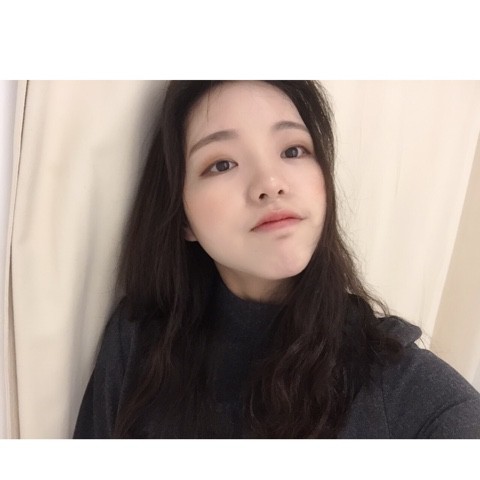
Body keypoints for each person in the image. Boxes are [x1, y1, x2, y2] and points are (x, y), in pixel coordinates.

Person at [73, 81, 480, 439]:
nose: (270, 183)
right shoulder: (139, 344)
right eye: (222, 164)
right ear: (182, 217)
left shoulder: (410, 394)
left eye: (293, 150)